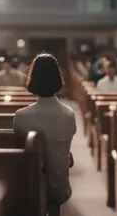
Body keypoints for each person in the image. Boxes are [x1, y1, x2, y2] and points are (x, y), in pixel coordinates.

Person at [13, 53, 76, 205]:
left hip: (31, 189)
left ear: (32, 79)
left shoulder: (21, 116)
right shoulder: (69, 114)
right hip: (60, 189)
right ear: (58, 79)